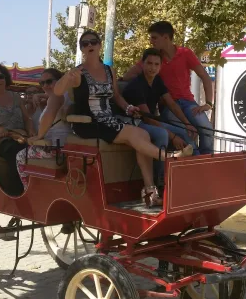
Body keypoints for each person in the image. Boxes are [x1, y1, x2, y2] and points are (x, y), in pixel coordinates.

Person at [54, 30, 193, 207]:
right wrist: (67, 77)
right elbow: (58, 92)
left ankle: (150, 192)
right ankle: (170, 156)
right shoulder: (78, 73)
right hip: (89, 122)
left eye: (93, 42)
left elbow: (116, 96)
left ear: (99, 45)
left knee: (142, 134)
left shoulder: (109, 70)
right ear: (81, 48)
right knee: (132, 134)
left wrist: (128, 107)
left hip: (109, 119)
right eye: (85, 43)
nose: (90, 46)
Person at [123, 21, 216, 155]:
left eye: (154, 37)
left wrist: (208, 103)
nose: (151, 41)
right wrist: (118, 80)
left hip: (188, 103)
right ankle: (196, 161)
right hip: (168, 105)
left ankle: (208, 161)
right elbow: (131, 73)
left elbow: (205, 76)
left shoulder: (185, 53)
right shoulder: (155, 58)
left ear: (165, 37)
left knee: (206, 129)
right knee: (185, 133)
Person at [123, 48, 200, 188]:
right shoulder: (136, 85)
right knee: (162, 134)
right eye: (149, 63)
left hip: (150, 120)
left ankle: (195, 171)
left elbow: (171, 103)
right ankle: (161, 181)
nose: (152, 68)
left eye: (156, 64)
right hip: (134, 122)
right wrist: (173, 137)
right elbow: (148, 118)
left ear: (160, 66)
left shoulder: (157, 81)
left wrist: (187, 123)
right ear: (143, 64)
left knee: (184, 131)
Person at [16, 68, 73, 188]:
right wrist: (41, 96)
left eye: (49, 81)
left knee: (20, 156)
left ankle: (27, 190)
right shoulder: (66, 95)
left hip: (55, 148)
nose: (45, 86)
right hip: (67, 146)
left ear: (60, 80)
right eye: (42, 83)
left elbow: (46, 122)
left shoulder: (56, 97)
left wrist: (38, 137)